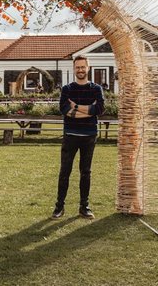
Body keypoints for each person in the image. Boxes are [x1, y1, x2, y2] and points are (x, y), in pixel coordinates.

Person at [52, 55, 105, 220]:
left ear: (88, 68)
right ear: (74, 68)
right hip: (70, 135)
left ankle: (84, 207)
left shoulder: (96, 89)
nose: (80, 70)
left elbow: (100, 109)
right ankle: (59, 207)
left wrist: (75, 107)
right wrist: (88, 110)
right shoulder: (67, 89)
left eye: (83, 67)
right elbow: (64, 109)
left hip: (89, 136)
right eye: (78, 67)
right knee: (64, 171)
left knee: (86, 172)